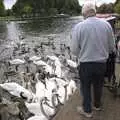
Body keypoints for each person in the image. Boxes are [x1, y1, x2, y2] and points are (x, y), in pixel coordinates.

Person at [70, 2, 115, 118]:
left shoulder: (79, 27)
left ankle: (87, 111)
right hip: (101, 63)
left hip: (85, 64)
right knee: (98, 85)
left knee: (85, 87)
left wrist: (84, 54)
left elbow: (74, 50)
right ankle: (97, 105)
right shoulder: (106, 25)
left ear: (84, 14)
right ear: (95, 12)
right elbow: (111, 47)